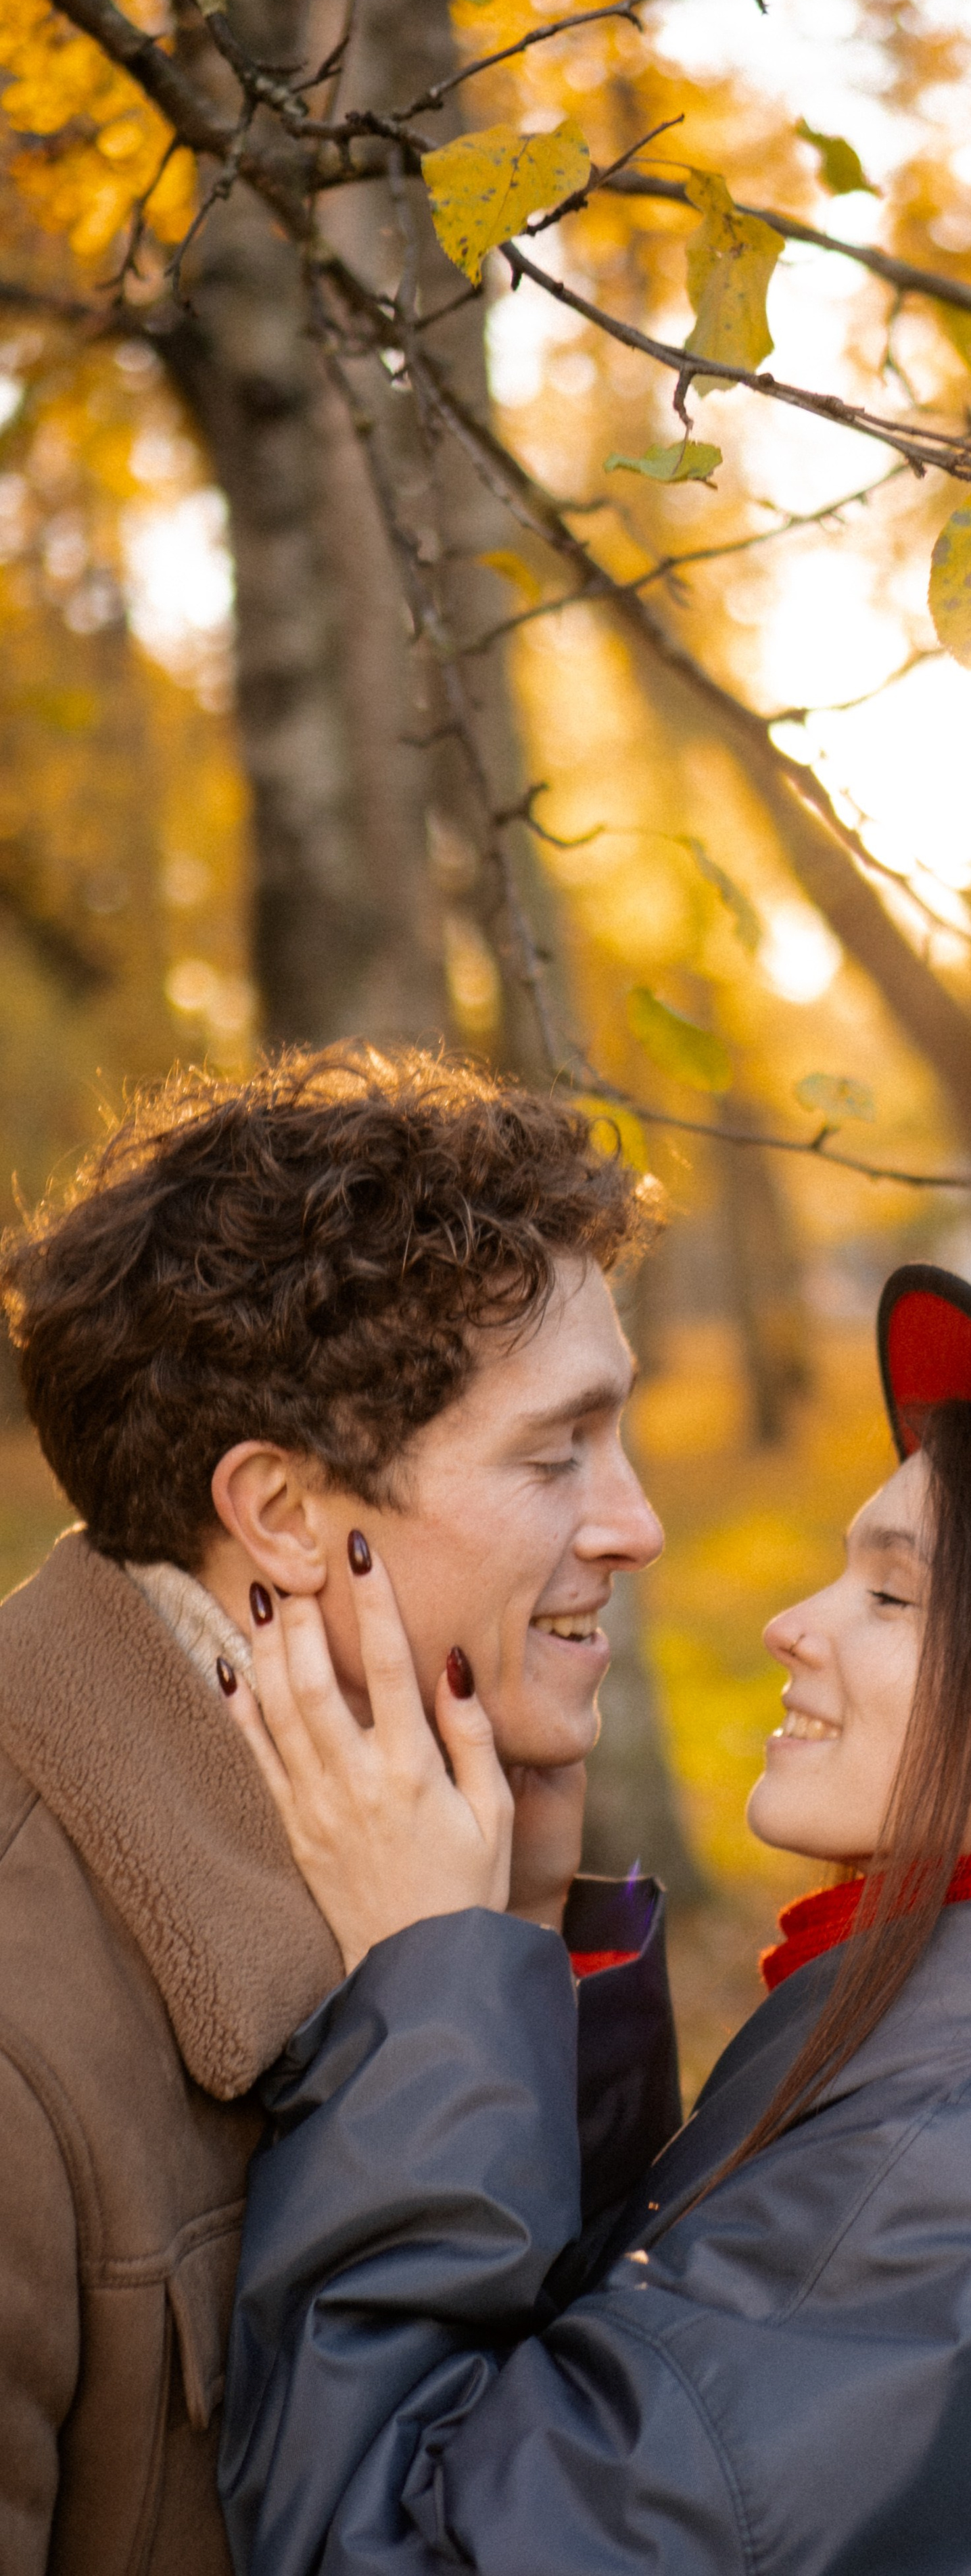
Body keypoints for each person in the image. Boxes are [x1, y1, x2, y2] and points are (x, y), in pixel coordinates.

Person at [218, 1262, 971, 2576]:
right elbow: (645, 2388)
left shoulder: (953, 2191)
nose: (788, 1623)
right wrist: (520, 1930)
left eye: (894, 1597)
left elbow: (392, 2547)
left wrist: (427, 1987)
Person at [0, 1047, 675, 2576]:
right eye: (555, 1453)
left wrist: (512, 1953)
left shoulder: (455, 1855)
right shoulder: (23, 2018)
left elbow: (570, 2465)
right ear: (287, 1517)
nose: (634, 1526)